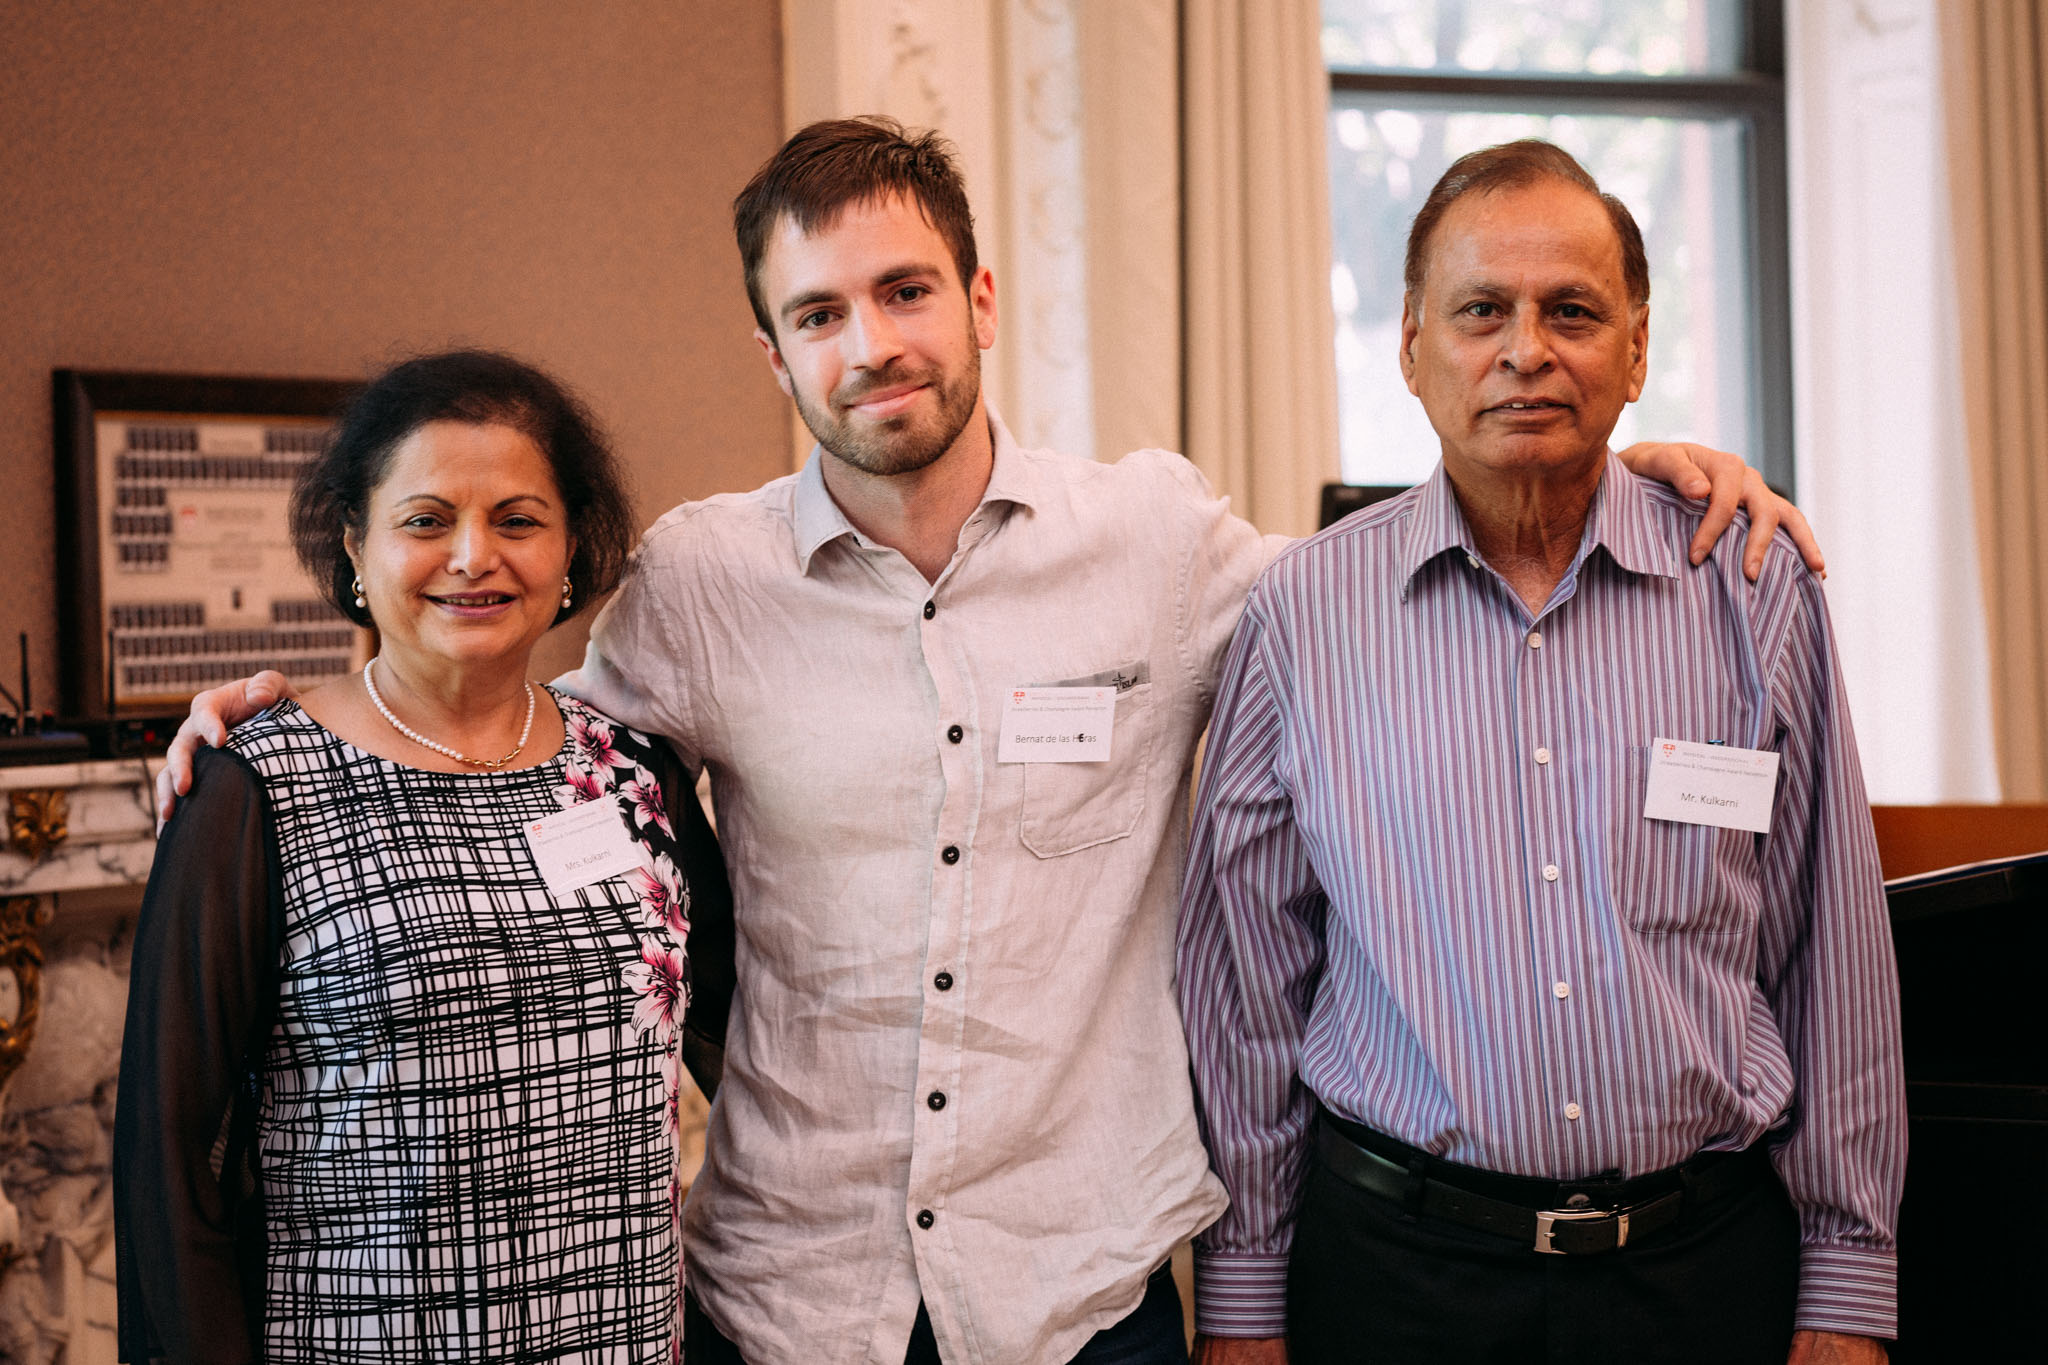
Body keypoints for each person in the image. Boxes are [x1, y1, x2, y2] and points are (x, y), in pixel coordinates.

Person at [155, 120, 1824, 1365]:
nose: (868, 340)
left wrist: (1609, 453)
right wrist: (297, 716)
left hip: (1081, 1294)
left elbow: (1402, 581)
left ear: (976, 296)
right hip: (792, 1297)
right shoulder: (700, 583)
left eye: (899, 290)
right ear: (775, 351)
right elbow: (501, 715)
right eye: (816, 313)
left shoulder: (1160, 548)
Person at [1177, 140, 1903, 1365]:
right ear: (1412, 347)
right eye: (1480, 312)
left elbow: (1828, 959)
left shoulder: (1752, 588)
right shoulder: (1298, 618)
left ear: (1632, 351)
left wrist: (1847, 1288)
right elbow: (1245, 987)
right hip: (1395, 1283)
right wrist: (1243, 1300)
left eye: (1570, 311)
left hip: (1703, 1274)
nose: (1525, 349)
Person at [113, 350, 732, 1363]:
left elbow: (754, 1042)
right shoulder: (253, 787)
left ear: (572, 546)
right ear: (356, 546)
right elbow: (169, 1160)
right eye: (426, 519)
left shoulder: (634, 771)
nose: (472, 556)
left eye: (518, 520)